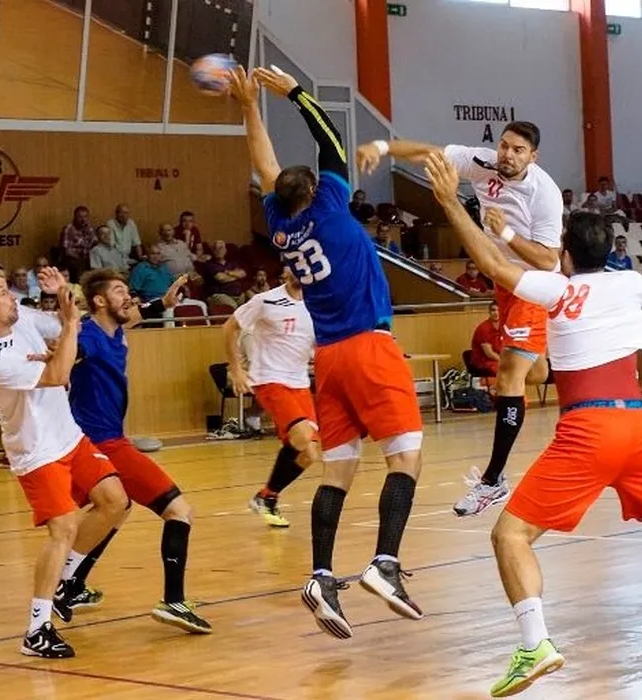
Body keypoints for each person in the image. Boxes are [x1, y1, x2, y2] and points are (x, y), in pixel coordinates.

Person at [425, 153, 642, 696]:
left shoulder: (556, 289)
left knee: (510, 535)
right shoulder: (634, 282)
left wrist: (448, 202)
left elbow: (491, 263)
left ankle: (535, 644)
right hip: (638, 429)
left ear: (566, 253)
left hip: (588, 431)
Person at [229, 65, 425, 639]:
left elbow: (264, 165)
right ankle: (384, 563)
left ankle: (319, 576)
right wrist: (293, 92)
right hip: (367, 345)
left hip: (329, 359)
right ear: (315, 191)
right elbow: (331, 140)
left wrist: (248, 107)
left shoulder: (279, 223)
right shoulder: (331, 207)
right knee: (405, 458)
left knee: (338, 469)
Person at [357, 119, 561, 519]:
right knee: (534, 373)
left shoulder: (545, 194)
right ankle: (555, 359)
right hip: (503, 279)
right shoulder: (482, 162)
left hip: (532, 282)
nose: (508, 154)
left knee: (508, 376)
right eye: (505, 146)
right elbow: (428, 153)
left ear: (533, 157)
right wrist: (381, 147)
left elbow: (548, 259)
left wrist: (507, 236)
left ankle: (493, 480)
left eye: (518, 150)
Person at [0, 268, 130, 658]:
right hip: (36, 451)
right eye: (2, 292)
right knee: (64, 528)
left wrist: (62, 295)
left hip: (68, 434)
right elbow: (57, 374)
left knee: (115, 501)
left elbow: (63, 326)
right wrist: (67, 333)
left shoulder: (20, 317)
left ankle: (65, 580)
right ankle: (36, 631)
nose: (11, 296)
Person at [52, 269, 212, 633]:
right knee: (179, 511)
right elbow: (68, 355)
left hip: (103, 437)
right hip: (102, 441)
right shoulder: (88, 336)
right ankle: (173, 601)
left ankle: (73, 584)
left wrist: (164, 303)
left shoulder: (115, 328)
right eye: (119, 291)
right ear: (99, 301)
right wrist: (56, 349)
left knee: (118, 509)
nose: (128, 297)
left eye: (128, 291)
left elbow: (137, 315)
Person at [223, 268, 318, 528]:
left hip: (300, 382)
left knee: (309, 455)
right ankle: (266, 498)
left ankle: (267, 497)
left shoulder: (317, 303)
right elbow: (230, 327)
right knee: (302, 436)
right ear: (285, 270)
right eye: (293, 266)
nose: (300, 270)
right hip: (270, 379)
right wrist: (236, 369)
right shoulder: (266, 300)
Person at [469, 301, 503, 376]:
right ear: (489, 312)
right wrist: (505, 361)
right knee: (506, 370)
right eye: (493, 310)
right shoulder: (484, 328)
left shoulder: (504, 326)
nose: (496, 313)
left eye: (499, 310)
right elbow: (489, 353)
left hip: (498, 359)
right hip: (485, 361)